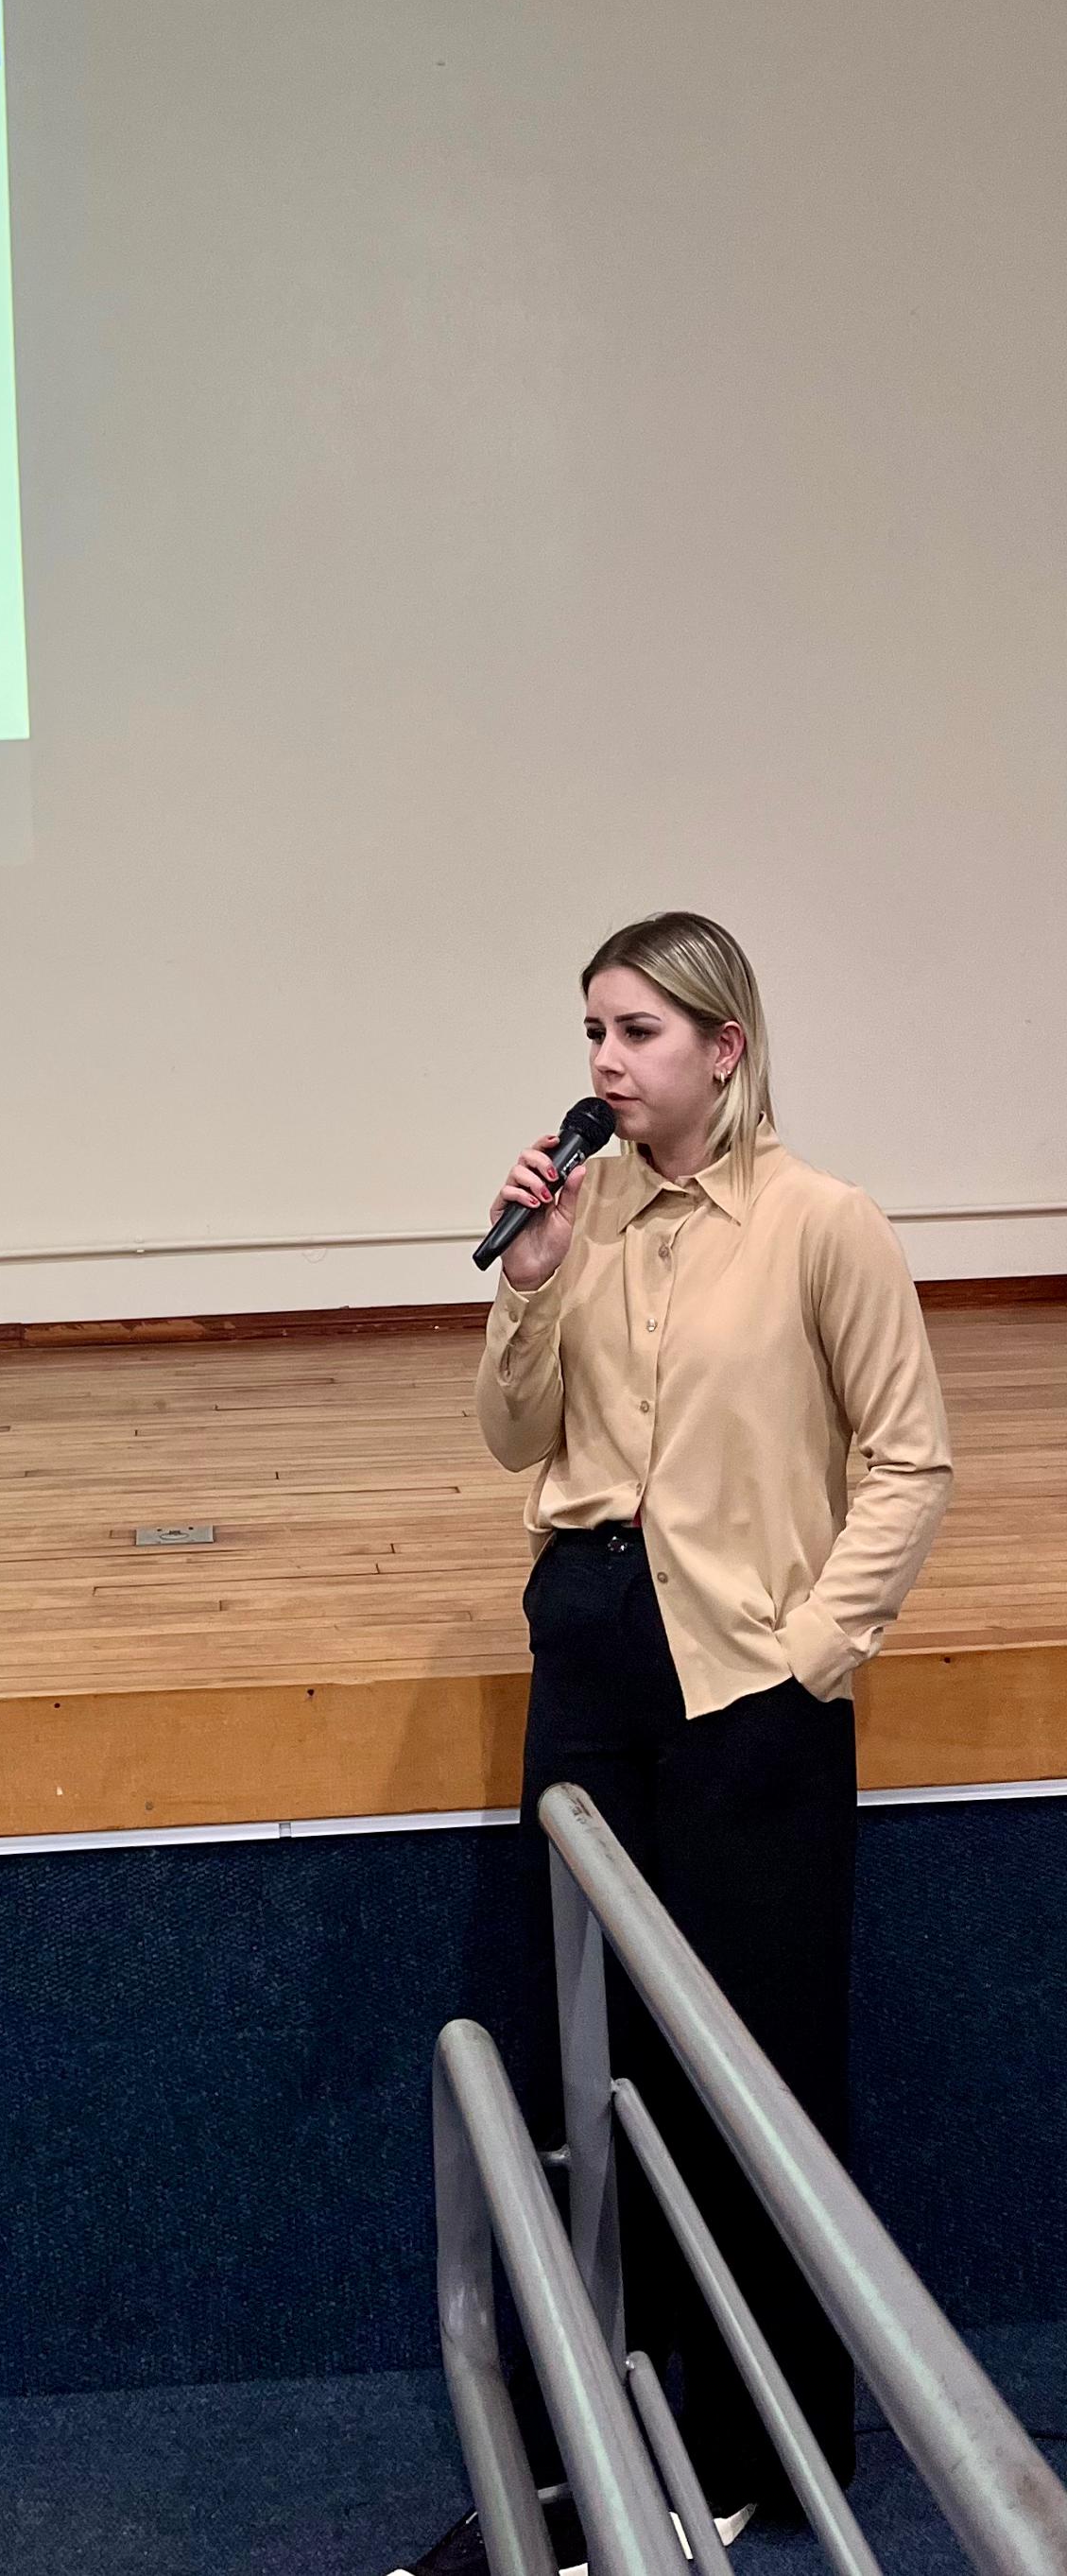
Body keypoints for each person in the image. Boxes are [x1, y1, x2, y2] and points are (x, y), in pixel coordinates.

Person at [396, 912, 953, 2576]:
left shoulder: (820, 1224)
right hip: (592, 1649)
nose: (604, 1063)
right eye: (591, 1032)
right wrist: (530, 1285)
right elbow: (516, 1439)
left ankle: (765, 2446)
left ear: (725, 1047)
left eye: (635, 1032)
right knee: (600, 2050)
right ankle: (616, 2420)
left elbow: (910, 1460)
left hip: (745, 1681)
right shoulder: (588, 1218)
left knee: (755, 2064)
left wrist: (814, 1655)